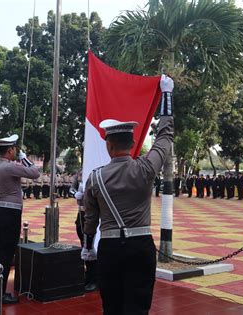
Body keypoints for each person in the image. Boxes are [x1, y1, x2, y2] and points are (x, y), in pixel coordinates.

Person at [83, 74, 174, 314]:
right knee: (137, 307)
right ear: (133, 144)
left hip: (110, 248)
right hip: (140, 246)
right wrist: (166, 95)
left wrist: (87, 245)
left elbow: (90, 218)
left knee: (111, 306)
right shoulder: (145, 168)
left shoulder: (95, 177)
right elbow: (165, 138)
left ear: (108, 145)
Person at [0, 134, 40, 304]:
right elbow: (35, 173)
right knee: (6, 253)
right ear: (10, 150)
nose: (16, 152)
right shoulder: (9, 167)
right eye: (15, 149)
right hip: (9, 214)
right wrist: (25, 160)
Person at [71, 170, 98, 292]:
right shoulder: (81, 172)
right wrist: (75, 193)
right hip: (81, 213)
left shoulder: (95, 171)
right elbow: (71, 188)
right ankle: (89, 274)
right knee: (84, 243)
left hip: (93, 213)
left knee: (90, 244)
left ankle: (94, 278)